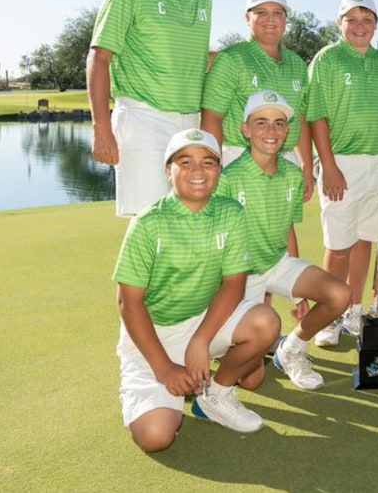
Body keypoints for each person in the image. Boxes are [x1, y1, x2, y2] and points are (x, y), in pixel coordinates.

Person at [112, 128, 280, 452]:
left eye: (208, 162)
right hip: (153, 335)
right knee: (156, 437)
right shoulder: (147, 224)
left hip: (202, 320)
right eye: (185, 162)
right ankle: (161, 383)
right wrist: (163, 367)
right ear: (168, 170)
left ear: (218, 169)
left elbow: (234, 284)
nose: (198, 171)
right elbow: (128, 303)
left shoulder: (231, 212)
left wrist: (201, 340)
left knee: (265, 322)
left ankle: (214, 395)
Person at [214, 90, 350, 390]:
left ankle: (290, 349)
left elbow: (287, 228)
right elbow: (216, 245)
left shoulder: (291, 174)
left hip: (277, 263)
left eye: (279, 123)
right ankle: (226, 347)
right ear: (245, 129)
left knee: (340, 295)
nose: (271, 131)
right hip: (240, 275)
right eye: (261, 122)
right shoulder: (228, 178)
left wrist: (298, 294)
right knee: (251, 380)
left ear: (288, 130)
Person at [87, 0, 214, 217]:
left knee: (186, 225)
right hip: (144, 119)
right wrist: (101, 127)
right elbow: (99, 56)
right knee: (148, 227)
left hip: (190, 123)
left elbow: (195, 60)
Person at [307, 0, 378, 347]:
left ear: (376, 25)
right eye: (352, 19)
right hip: (341, 162)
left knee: (367, 239)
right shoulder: (327, 60)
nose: (360, 26)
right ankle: (328, 314)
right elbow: (316, 115)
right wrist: (328, 166)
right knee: (338, 245)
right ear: (340, 24)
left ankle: (353, 307)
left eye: (367, 20)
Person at [201, 0, 314, 200]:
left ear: (285, 19)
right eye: (261, 12)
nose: (270, 19)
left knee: (281, 228)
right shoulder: (231, 58)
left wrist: (306, 166)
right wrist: (212, 164)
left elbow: (299, 118)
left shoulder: (297, 64)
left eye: (277, 13)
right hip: (240, 157)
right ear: (247, 17)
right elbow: (212, 116)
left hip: (286, 159)